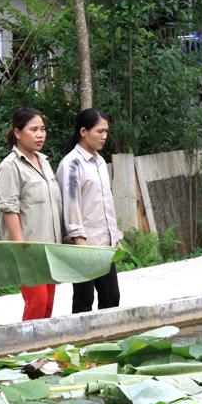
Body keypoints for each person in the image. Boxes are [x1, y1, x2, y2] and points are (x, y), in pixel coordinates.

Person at [0, 107, 63, 321]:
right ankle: (25, 350)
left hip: (50, 249)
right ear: (17, 132)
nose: (40, 134)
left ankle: (41, 350)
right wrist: (20, 248)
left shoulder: (44, 162)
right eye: (33, 129)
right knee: (37, 302)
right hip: (28, 250)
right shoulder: (9, 167)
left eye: (42, 129)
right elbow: (9, 209)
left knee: (48, 303)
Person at [55, 108, 123, 313]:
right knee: (84, 299)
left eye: (106, 132)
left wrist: (115, 236)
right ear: (83, 132)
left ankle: (108, 341)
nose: (104, 136)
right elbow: (71, 204)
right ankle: (81, 343)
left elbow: (104, 202)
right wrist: (79, 241)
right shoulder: (71, 164)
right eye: (99, 131)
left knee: (111, 298)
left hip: (104, 245)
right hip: (84, 245)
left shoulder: (100, 161)